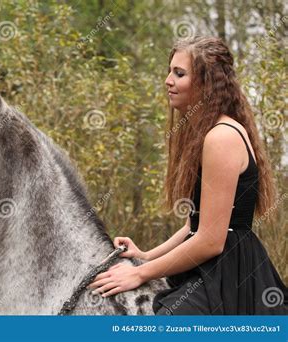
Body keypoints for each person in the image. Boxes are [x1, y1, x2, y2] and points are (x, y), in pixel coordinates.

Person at [88, 36, 287, 315]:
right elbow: (192, 227)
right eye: (169, 71)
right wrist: (146, 255)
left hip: (229, 274)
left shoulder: (221, 137)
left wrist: (141, 273)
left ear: (207, 83)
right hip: (211, 265)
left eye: (179, 74)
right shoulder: (205, 133)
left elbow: (210, 240)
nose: (168, 80)